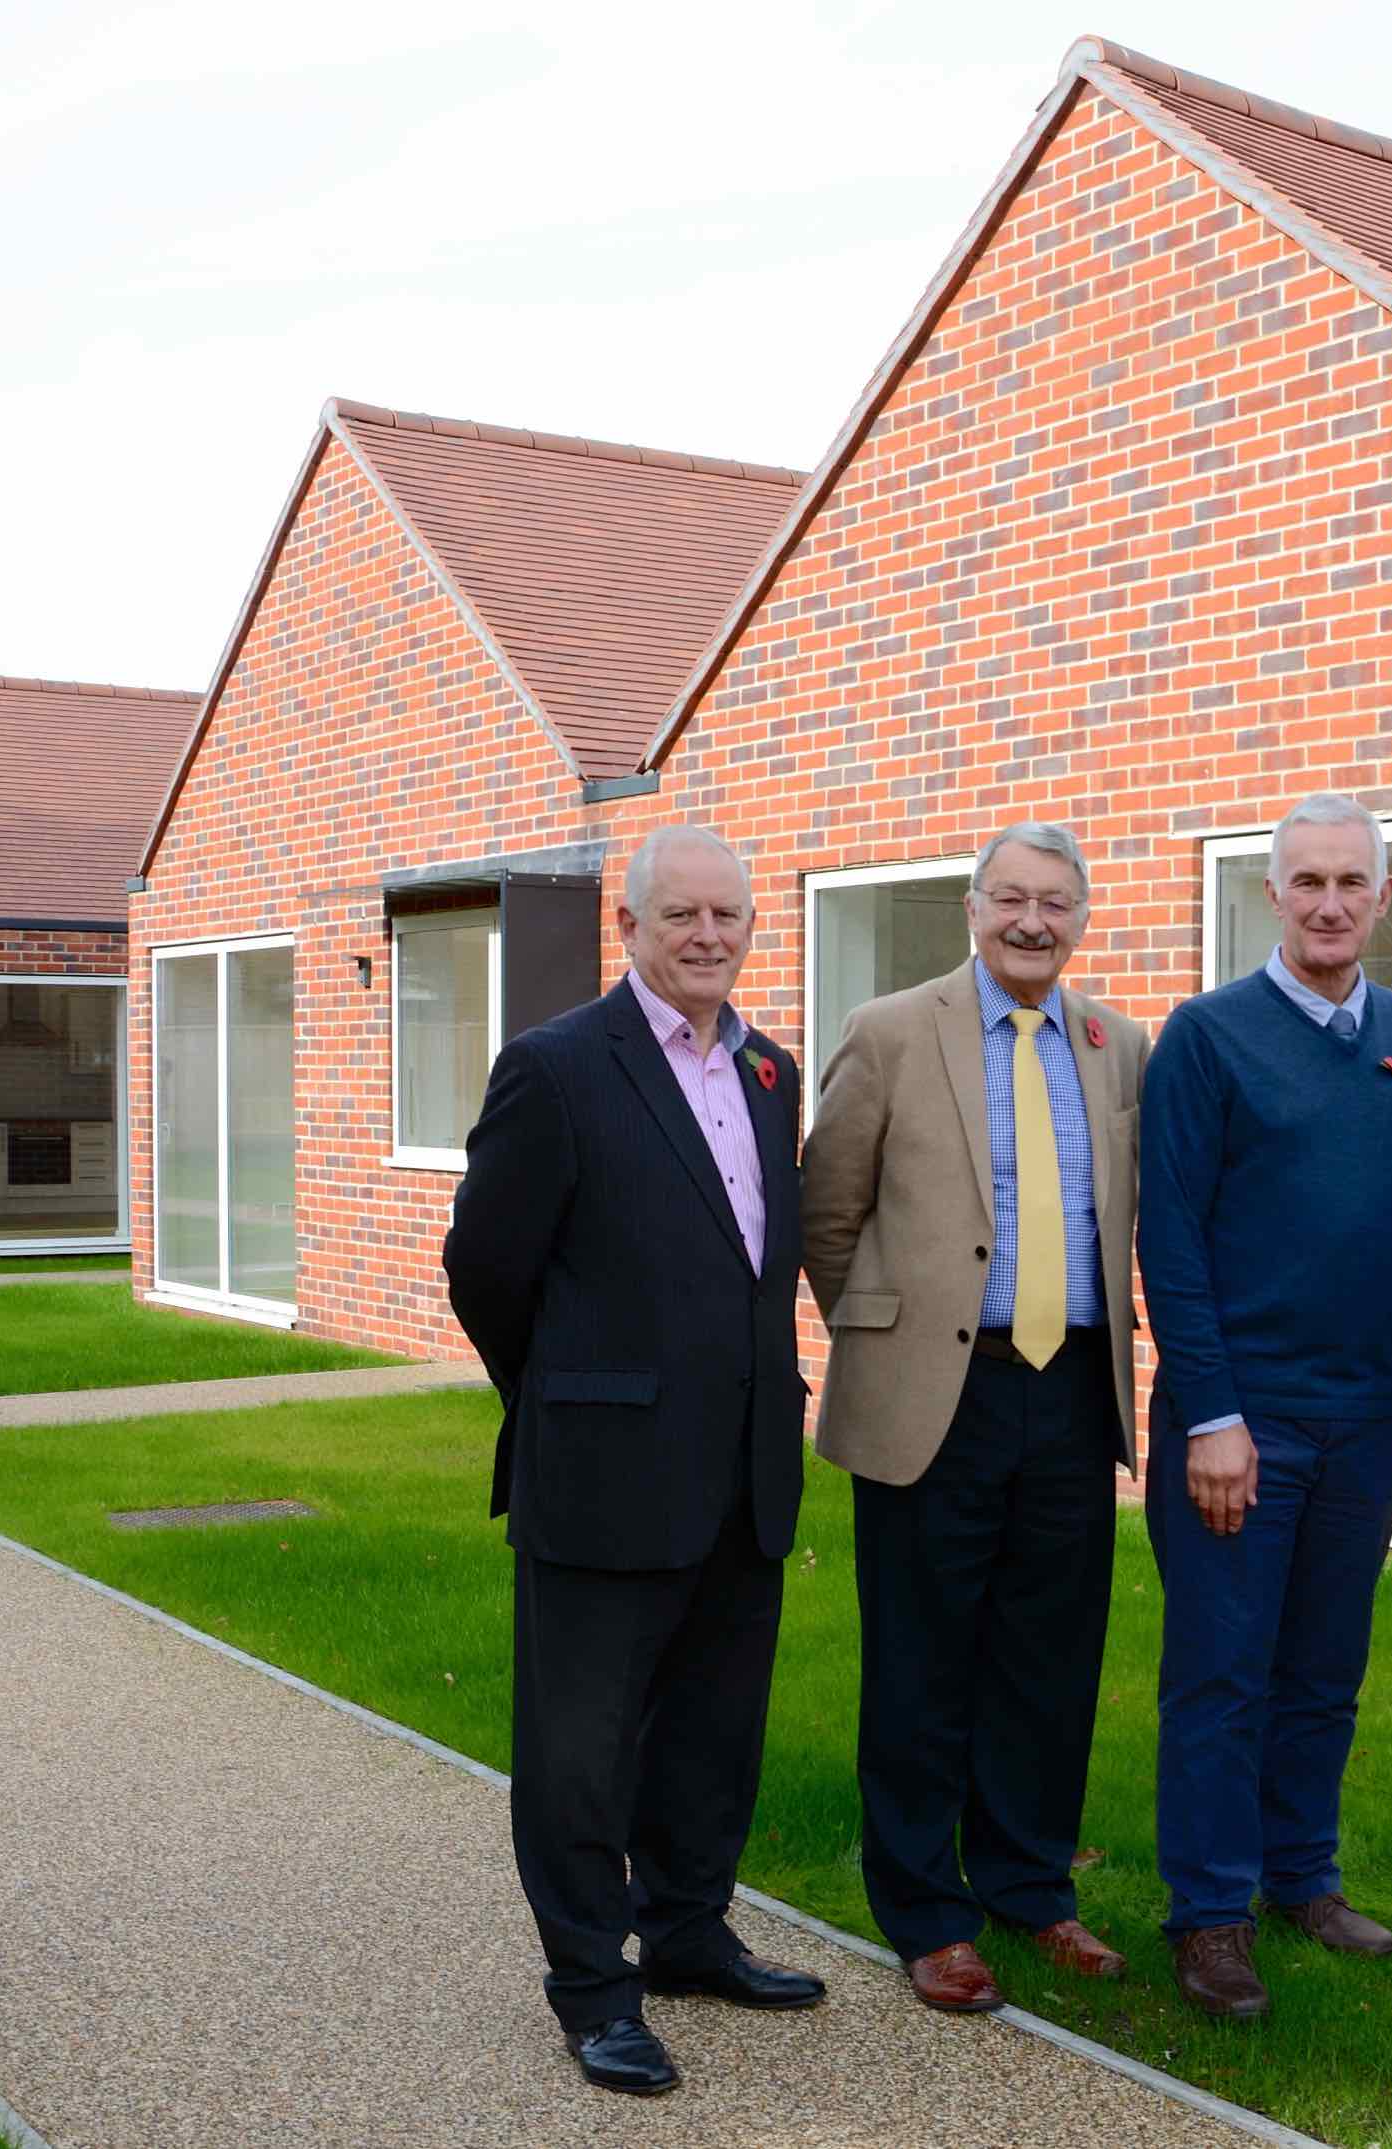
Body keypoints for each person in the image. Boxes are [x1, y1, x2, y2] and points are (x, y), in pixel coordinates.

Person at [444, 823, 819, 2099]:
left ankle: (690, 1932)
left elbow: (756, 1266)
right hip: (603, 1473)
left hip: (743, 1472)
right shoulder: (554, 1069)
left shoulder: (770, 1071)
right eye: (683, 917)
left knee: (714, 1730)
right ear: (632, 928)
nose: (709, 936)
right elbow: (486, 1270)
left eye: (731, 916)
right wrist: (563, 1396)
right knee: (579, 1748)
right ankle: (593, 1988)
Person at [802, 821, 1150, 2016]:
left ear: (1081, 916)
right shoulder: (891, 1030)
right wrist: (882, 1328)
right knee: (921, 1657)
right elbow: (825, 1212)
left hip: (1069, 1388)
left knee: (1049, 1658)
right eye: (1011, 897)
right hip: (931, 1392)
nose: (1032, 921)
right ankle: (926, 1910)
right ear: (972, 904)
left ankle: (1028, 1885)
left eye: (1055, 903)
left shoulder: (1114, 1044)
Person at [1136, 792, 1392, 2021]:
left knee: (1324, 1666)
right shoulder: (1206, 1037)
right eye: (1304, 881)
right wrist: (1210, 1411)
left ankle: (1299, 1877)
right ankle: (1209, 1915)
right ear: (1271, 894)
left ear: (1381, 897)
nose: (1327, 902)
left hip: (1367, 1417)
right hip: (1240, 1424)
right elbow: (1174, 1236)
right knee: (1222, 1669)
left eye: (1348, 882)